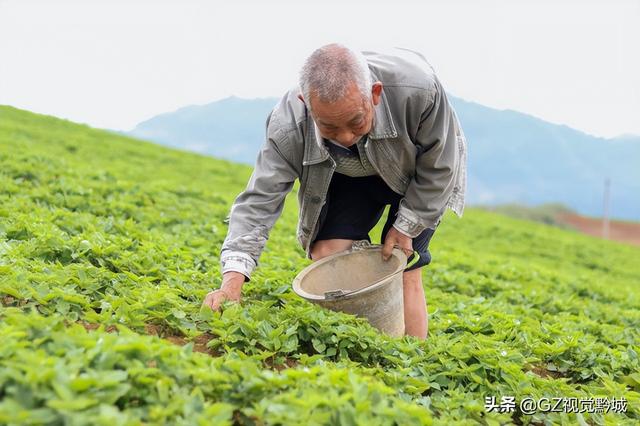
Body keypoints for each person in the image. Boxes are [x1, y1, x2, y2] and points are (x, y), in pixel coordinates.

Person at [202, 43, 467, 339]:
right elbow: (260, 201)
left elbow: (441, 164)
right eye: (329, 126)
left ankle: (409, 364)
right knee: (329, 255)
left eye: (356, 121)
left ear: (374, 94)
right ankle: (356, 356)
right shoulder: (288, 125)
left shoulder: (419, 89)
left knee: (404, 264)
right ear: (307, 104)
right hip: (349, 173)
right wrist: (232, 282)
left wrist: (406, 226)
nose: (345, 136)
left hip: (417, 171)